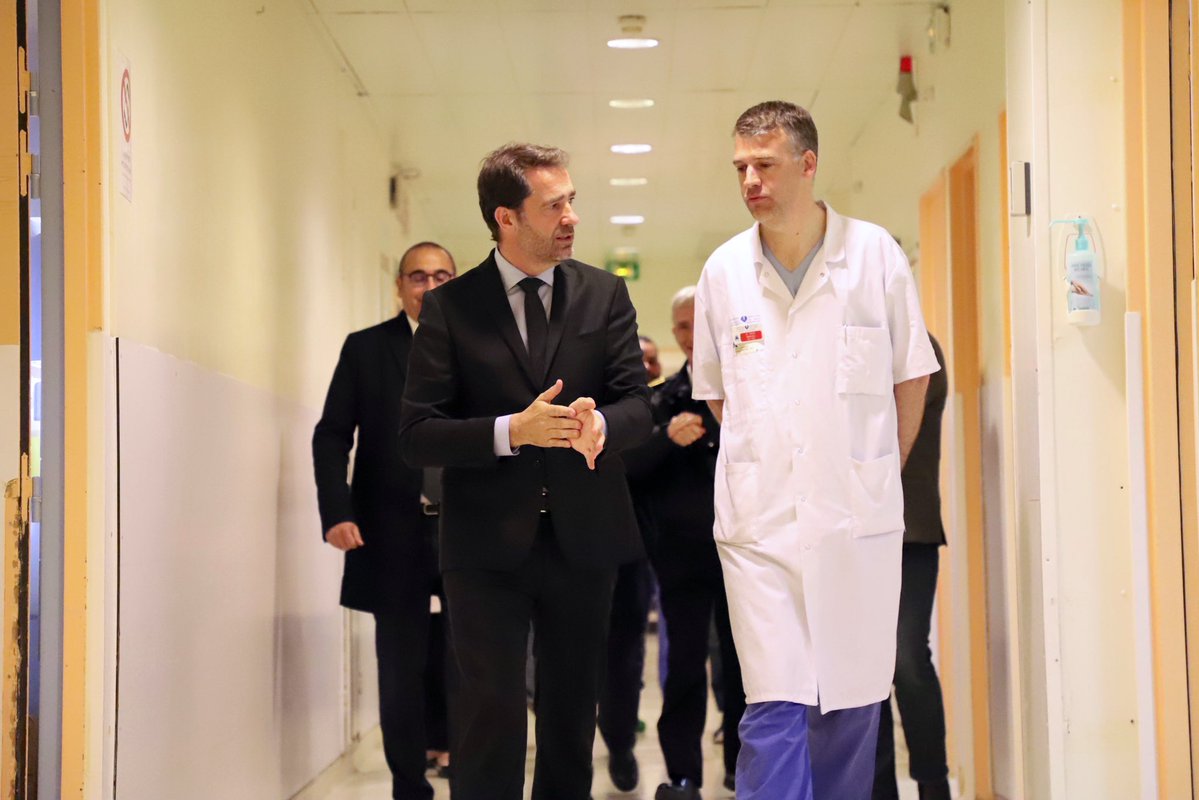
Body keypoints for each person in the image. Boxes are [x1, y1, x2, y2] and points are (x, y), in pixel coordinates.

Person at [690, 101, 939, 800]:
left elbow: (911, 374)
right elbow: (718, 394)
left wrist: (875, 470)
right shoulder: (724, 271)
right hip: (759, 525)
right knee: (772, 703)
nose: (750, 180)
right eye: (740, 167)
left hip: (854, 520)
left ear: (807, 164)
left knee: (851, 704)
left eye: (764, 165)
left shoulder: (873, 255)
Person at [398, 142, 652, 800]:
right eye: (553, 205)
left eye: (572, 201)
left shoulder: (604, 293)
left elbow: (638, 404)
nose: (571, 217)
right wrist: (513, 431)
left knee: (571, 713)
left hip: (584, 536)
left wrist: (601, 426)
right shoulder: (451, 307)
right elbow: (417, 434)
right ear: (505, 218)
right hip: (484, 545)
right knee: (490, 714)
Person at [312, 241, 457, 800]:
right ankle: (408, 785)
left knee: (470, 664)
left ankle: (468, 771)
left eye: (441, 276)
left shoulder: (481, 348)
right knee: (399, 668)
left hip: (467, 532)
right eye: (418, 277)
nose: (430, 287)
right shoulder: (367, 349)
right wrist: (336, 512)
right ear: (399, 287)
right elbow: (331, 435)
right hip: (392, 532)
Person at [635, 286, 746, 800]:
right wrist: (666, 438)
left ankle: (743, 765)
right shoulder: (661, 398)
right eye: (681, 326)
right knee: (682, 666)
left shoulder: (749, 387)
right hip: (681, 555)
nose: (690, 334)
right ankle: (683, 775)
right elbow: (630, 467)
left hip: (744, 550)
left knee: (744, 664)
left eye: (698, 322)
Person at [873, 334, 950, 800]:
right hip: (852, 536)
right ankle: (878, 789)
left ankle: (933, 784)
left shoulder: (920, 345)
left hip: (910, 530)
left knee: (907, 661)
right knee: (864, 672)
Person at [597, 335, 660, 793]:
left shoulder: (650, 406)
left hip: (629, 547)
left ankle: (619, 743)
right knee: (566, 655)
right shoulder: (583, 397)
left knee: (624, 653)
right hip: (572, 541)